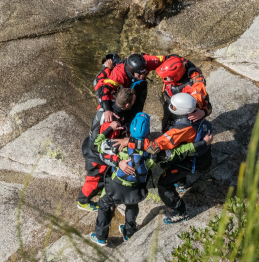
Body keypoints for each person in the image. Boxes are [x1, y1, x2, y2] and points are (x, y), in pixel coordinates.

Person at [95, 52, 211, 132]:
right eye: (140, 74)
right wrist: (107, 110)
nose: (143, 76)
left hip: (178, 104)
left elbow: (171, 58)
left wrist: (192, 68)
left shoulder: (146, 61)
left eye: (145, 73)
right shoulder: (118, 75)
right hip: (127, 89)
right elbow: (103, 90)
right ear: (131, 71)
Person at [150, 92, 214, 223]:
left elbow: (158, 145)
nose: (171, 107)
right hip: (203, 156)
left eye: (173, 106)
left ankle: (179, 211)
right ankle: (181, 183)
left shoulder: (181, 129)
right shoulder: (197, 111)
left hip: (191, 162)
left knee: (163, 183)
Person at [90, 112, 152, 245]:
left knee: (104, 205)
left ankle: (101, 236)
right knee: (132, 205)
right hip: (135, 189)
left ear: (130, 129)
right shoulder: (151, 151)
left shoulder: (119, 145)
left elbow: (97, 144)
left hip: (115, 186)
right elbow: (165, 151)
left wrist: (109, 129)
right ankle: (129, 233)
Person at [77, 85, 137, 211]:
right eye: (133, 101)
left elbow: (102, 88)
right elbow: (104, 146)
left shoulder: (106, 106)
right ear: (127, 105)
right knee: (94, 181)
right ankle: (82, 201)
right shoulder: (111, 124)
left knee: (96, 178)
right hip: (96, 156)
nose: (134, 102)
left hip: (89, 144)